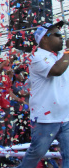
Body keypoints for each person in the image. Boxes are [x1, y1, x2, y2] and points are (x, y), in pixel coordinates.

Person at [16, 21, 69, 168]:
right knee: (35, 155)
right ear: (44, 38)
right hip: (46, 119)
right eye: (57, 35)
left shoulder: (62, 56)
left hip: (65, 117)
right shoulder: (37, 57)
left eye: (61, 34)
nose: (61, 37)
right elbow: (56, 71)